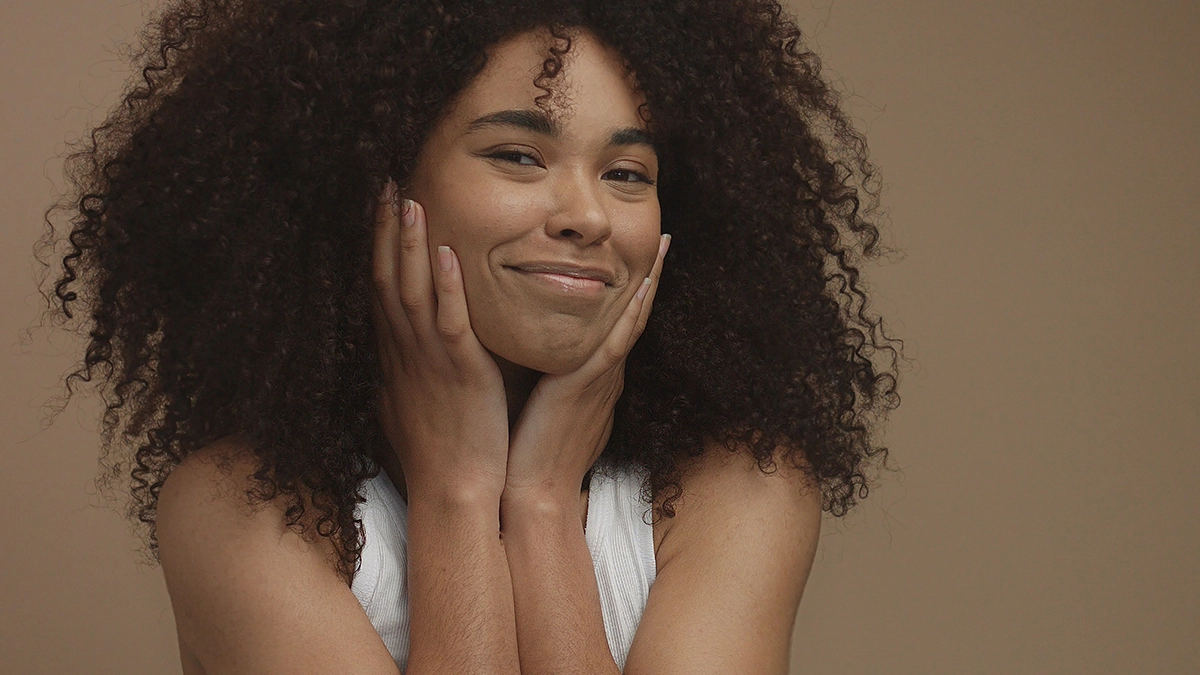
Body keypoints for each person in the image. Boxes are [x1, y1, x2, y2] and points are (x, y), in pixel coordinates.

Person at [44, 0, 901, 672]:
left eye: (628, 173)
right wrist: (457, 491)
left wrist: (538, 505)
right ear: (374, 186)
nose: (588, 215)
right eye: (518, 157)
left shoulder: (741, 490)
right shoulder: (243, 509)